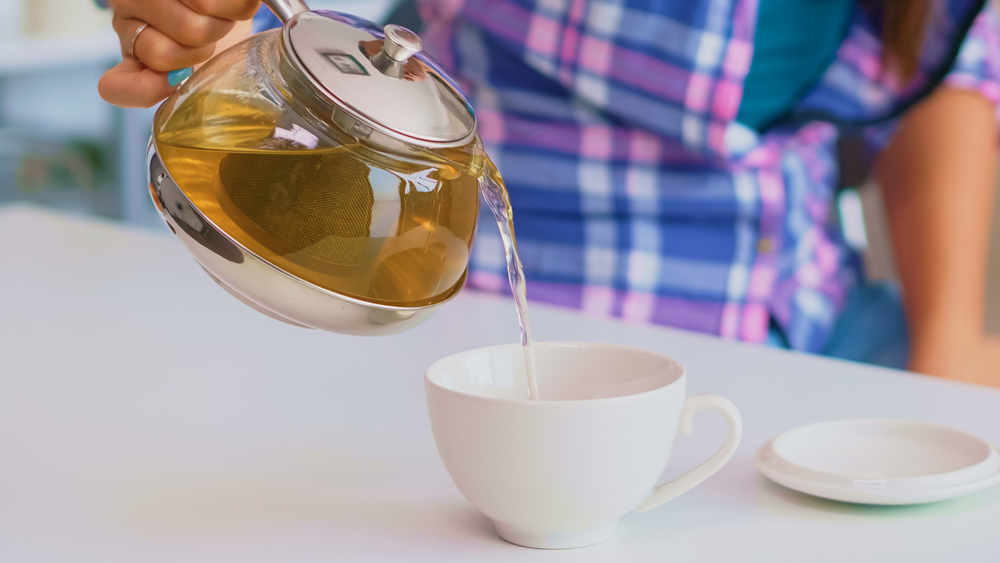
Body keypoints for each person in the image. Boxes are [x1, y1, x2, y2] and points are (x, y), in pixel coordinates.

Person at [98, 0, 1000, 387]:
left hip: (802, 313)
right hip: (490, 313)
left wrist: (949, 338)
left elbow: (945, 73)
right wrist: (209, 32)